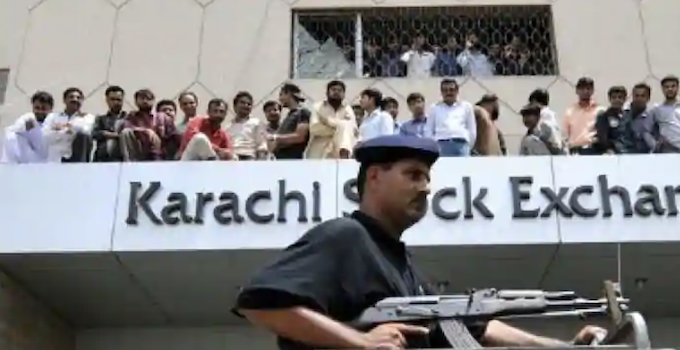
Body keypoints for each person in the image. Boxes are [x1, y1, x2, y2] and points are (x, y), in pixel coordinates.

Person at [234, 135, 605, 349]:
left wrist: (563, 347)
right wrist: (361, 342)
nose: (425, 187)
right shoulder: (345, 237)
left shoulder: (403, 265)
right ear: (374, 177)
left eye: (427, 178)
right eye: (413, 175)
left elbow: (470, 327)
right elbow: (260, 304)